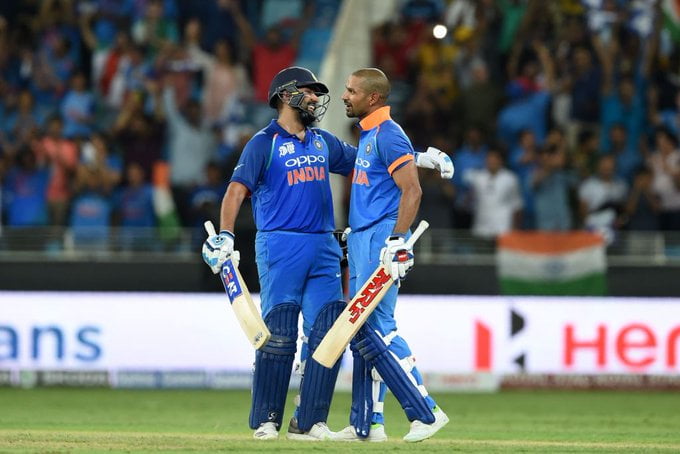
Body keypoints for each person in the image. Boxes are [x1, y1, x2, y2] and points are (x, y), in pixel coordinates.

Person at [201, 66, 453, 442]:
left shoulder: (323, 141)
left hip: (323, 246)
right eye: (308, 91)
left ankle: (309, 421)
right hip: (280, 245)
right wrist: (225, 235)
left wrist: (415, 158)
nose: (316, 98)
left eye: (317, 92)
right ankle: (267, 419)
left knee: (327, 335)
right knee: (279, 334)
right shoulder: (263, 143)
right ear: (285, 95)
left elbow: (369, 160)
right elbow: (237, 190)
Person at [335, 67, 449, 443]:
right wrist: (420, 157)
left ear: (373, 98)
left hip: (380, 239)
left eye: (351, 91)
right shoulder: (372, 134)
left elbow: (412, 191)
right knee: (365, 329)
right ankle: (369, 424)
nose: (345, 96)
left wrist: (398, 240)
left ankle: (427, 411)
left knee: (380, 328)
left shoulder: (387, 133)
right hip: (364, 238)